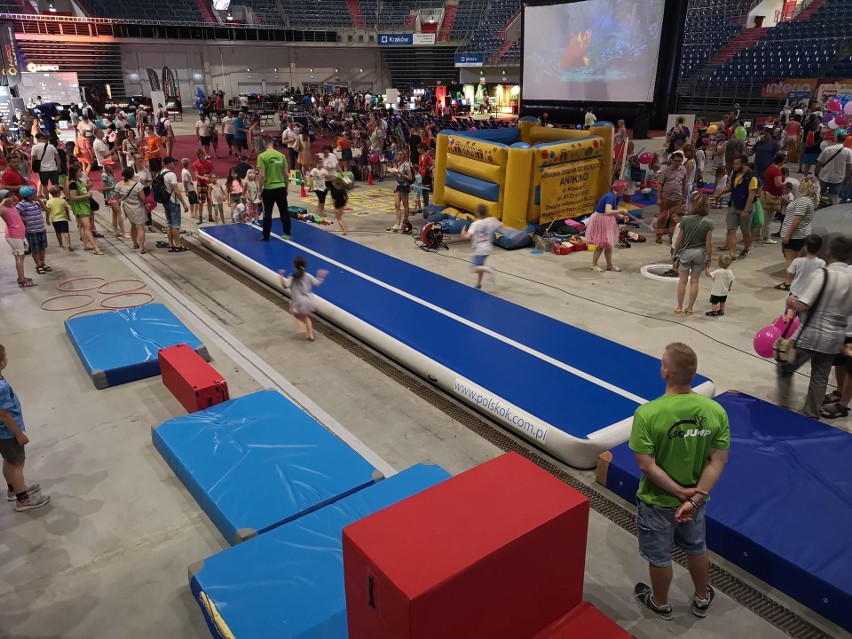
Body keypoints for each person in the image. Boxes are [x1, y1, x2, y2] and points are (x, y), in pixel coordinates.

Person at [630, 343, 729, 621]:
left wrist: (677, 492)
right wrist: (694, 498)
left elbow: (646, 465)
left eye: (662, 363)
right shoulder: (715, 411)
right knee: (696, 547)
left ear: (666, 373)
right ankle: (701, 597)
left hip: (657, 501)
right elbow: (718, 461)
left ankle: (660, 603)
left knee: (660, 557)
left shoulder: (648, 413)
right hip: (696, 504)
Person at [778, 236, 852, 419]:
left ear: (828, 254)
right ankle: (811, 415)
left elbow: (804, 304)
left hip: (811, 334)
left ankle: (783, 407)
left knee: (785, 365)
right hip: (835, 338)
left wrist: (791, 301)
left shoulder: (823, 274)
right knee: (820, 376)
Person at [0, 344, 50, 512]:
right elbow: (4, 415)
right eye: (5, 357)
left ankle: (14, 489)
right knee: (17, 464)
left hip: (3, 434)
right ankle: (23, 500)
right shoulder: (1, 388)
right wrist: (19, 434)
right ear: (1, 362)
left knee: (9, 461)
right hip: (8, 433)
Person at [775, 176, 820, 289]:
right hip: (799, 234)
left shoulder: (803, 201)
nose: (799, 186)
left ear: (808, 187)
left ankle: (789, 282)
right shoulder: (807, 200)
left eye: (802, 184)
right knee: (794, 258)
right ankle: (793, 280)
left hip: (795, 235)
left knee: (791, 259)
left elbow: (797, 219)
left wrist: (788, 235)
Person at [672, 193, 713, 315]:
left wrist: (675, 253)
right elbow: (709, 243)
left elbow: (679, 239)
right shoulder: (709, 223)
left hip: (686, 253)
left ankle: (679, 307)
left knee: (682, 281)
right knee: (695, 281)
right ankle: (690, 308)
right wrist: (709, 259)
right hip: (700, 254)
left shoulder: (685, 220)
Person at [278, 257, 328, 341]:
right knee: (306, 317)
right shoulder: (308, 276)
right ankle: (310, 335)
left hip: (298, 301)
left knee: (295, 315)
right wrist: (321, 276)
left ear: (295, 266)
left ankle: (301, 327)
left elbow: (285, 286)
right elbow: (317, 283)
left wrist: (281, 276)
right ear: (305, 266)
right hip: (309, 301)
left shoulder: (292, 277)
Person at [718, 155, 756, 262]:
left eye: (736, 164)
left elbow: (751, 195)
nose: (734, 166)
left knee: (745, 231)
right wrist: (722, 192)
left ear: (743, 164)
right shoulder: (734, 174)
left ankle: (747, 248)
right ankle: (732, 253)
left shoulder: (752, 177)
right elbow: (732, 187)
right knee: (731, 230)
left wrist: (746, 210)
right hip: (733, 206)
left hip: (745, 207)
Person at [586, 180, 630, 273]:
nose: (625, 191)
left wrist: (622, 216)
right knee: (601, 244)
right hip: (601, 220)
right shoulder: (610, 196)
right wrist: (621, 211)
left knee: (608, 245)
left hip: (606, 219)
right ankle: (593, 265)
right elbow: (608, 211)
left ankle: (609, 265)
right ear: (620, 189)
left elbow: (612, 212)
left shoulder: (615, 197)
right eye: (624, 189)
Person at [780, 234, 825, 314]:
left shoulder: (797, 261)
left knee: (789, 316)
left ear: (805, 246)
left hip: (795, 292)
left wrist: (791, 280)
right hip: (810, 294)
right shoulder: (822, 263)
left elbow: (790, 275)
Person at [257, 136, 291, 241]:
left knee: (268, 213)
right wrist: (286, 187)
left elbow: (262, 176)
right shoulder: (281, 156)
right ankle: (287, 234)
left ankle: (266, 236)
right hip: (280, 187)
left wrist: (260, 189)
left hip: (269, 189)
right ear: (273, 143)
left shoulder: (262, 156)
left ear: (264, 143)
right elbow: (286, 175)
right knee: (284, 212)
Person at [461, 204, 502, 289]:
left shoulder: (475, 224)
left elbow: (468, 237)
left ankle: (489, 270)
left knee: (474, 268)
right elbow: (502, 226)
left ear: (478, 213)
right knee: (480, 267)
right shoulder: (492, 220)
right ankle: (478, 284)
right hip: (488, 248)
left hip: (479, 249)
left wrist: (463, 233)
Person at [1, 190, 35, 288]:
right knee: (19, 258)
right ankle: (21, 279)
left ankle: (22, 276)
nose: (12, 197)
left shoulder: (11, 207)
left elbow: (16, 201)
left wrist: (23, 220)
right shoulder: (3, 208)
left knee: (21, 256)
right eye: (9, 196)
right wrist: (3, 202)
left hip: (19, 234)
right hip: (13, 235)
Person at [16, 185, 50, 275]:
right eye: (34, 194)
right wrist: (23, 219)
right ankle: (38, 265)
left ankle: (43, 263)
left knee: (42, 247)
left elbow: (46, 209)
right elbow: (15, 213)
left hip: (41, 229)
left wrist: (39, 200)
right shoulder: (22, 204)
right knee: (35, 249)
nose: (35, 195)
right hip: (32, 231)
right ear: (28, 196)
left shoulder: (36, 203)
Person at [159, 156, 190, 250]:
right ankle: (178, 245)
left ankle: (171, 244)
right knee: (176, 225)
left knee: (169, 223)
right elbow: (176, 190)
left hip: (165, 201)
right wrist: (184, 203)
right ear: (169, 164)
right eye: (173, 163)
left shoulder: (159, 173)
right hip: (173, 201)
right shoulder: (171, 175)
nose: (174, 165)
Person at [655, 153, 687, 243]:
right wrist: (659, 198)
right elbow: (660, 184)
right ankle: (659, 236)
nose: (677, 163)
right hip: (666, 198)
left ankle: (672, 236)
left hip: (678, 198)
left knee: (674, 219)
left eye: (679, 161)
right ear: (672, 160)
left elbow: (684, 184)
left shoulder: (683, 170)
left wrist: (684, 197)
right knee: (662, 218)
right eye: (676, 161)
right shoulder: (666, 171)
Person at [815, 131, 852, 207]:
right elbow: (849, 166)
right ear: (844, 141)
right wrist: (847, 178)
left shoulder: (827, 149)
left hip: (824, 175)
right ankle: (830, 207)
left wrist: (816, 173)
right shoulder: (848, 152)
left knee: (820, 192)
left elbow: (819, 163)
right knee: (834, 195)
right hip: (838, 177)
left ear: (836, 139)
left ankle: (819, 204)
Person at [115, 167, 148, 253]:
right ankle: (141, 247)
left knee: (133, 226)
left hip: (127, 207)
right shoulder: (138, 185)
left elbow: (117, 197)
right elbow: (143, 198)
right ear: (132, 175)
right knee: (140, 227)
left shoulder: (119, 185)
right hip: (137, 208)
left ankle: (135, 243)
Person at [758, 153, 785, 244]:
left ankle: (757, 235)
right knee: (768, 218)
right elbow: (778, 184)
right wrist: (785, 183)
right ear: (781, 163)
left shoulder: (769, 169)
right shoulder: (776, 171)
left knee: (763, 216)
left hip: (765, 194)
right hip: (771, 196)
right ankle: (765, 237)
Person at [388, 150, 414, 233]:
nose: (398, 156)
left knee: (405, 205)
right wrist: (394, 172)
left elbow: (410, 177)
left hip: (405, 186)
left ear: (404, 155)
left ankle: (404, 222)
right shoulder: (398, 164)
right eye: (398, 154)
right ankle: (397, 223)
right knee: (397, 204)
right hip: (399, 186)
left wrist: (400, 173)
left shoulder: (406, 164)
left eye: (400, 154)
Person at [100, 160, 125, 239]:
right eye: (110, 165)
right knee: (118, 213)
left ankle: (116, 230)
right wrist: (114, 187)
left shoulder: (110, 174)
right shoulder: (105, 175)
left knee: (114, 214)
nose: (112, 166)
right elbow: (104, 187)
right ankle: (122, 231)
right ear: (106, 166)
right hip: (111, 197)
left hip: (114, 196)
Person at [46, 186, 73, 251]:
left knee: (58, 232)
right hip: (63, 219)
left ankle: (60, 244)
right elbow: (67, 210)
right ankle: (68, 243)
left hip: (54, 219)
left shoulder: (49, 202)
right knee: (65, 232)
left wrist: (47, 220)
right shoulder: (63, 201)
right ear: (58, 193)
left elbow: (48, 212)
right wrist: (68, 217)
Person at [192, 149, 215, 223]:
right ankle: (200, 217)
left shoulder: (209, 163)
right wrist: (204, 177)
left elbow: (212, 172)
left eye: (202, 156)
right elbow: (196, 175)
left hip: (209, 183)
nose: (200, 158)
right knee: (200, 201)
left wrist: (209, 176)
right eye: (199, 157)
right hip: (201, 184)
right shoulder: (195, 164)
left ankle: (210, 216)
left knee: (209, 201)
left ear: (204, 155)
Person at [181, 158, 199, 222]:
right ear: (188, 164)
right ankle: (195, 213)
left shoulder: (184, 171)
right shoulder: (185, 172)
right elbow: (184, 182)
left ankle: (192, 213)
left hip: (190, 188)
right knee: (196, 201)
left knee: (191, 202)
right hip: (190, 189)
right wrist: (186, 191)